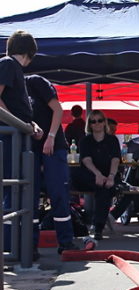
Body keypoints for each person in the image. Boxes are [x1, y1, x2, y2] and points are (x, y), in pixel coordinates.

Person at [25, 75, 84, 256]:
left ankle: (66, 241)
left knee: (58, 193)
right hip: (30, 148)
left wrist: (50, 137)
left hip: (52, 146)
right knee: (29, 197)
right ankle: (30, 246)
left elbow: (57, 109)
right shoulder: (12, 91)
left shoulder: (35, 82)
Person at [0, 31, 43, 251]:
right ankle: (9, 247)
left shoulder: (12, 67)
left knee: (17, 191)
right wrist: (16, 123)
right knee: (10, 191)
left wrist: (30, 124)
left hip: (18, 135)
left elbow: (15, 104)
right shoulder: (8, 64)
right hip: (9, 138)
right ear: (29, 54)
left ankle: (14, 246)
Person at [70, 110, 120, 240]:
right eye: (93, 121)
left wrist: (111, 175)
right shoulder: (85, 141)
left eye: (100, 120)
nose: (97, 123)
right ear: (89, 125)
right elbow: (86, 160)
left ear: (104, 122)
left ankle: (98, 227)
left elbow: (116, 159)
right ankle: (96, 224)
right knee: (100, 185)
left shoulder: (112, 140)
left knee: (104, 188)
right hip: (89, 174)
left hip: (108, 175)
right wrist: (97, 174)